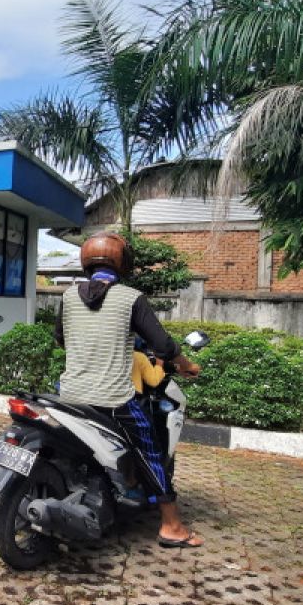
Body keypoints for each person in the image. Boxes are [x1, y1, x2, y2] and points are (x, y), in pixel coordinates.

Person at [54, 232, 203, 548]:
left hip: (68, 395)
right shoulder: (130, 297)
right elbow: (162, 344)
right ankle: (171, 525)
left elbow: (61, 340)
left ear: (86, 262)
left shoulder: (67, 296)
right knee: (149, 451)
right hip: (114, 399)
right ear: (123, 264)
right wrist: (187, 365)